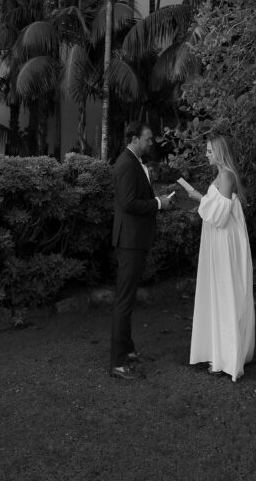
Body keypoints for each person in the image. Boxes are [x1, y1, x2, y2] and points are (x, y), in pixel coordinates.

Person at [186, 135, 255, 382]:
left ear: (219, 152)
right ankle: (218, 351)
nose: (206, 154)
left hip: (226, 241)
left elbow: (222, 214)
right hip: (216, 240)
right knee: (216, 291)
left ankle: (228, 356)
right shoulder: (220, 175)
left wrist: (197, 198)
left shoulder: (226, 175)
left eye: (208, 151)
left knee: (226, 292)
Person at [109, 121, 173, 380]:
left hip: (134, 240)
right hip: (129, 242)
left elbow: (135, 197)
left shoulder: (134, 162)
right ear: (134, 139)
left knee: (127, 299)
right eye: (147, 139)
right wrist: (159, 203)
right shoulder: (126, 164)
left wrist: (158, 198)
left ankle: (128, 349)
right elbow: (129, 203)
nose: (151, 143)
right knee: (124, 301)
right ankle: (117, 362)